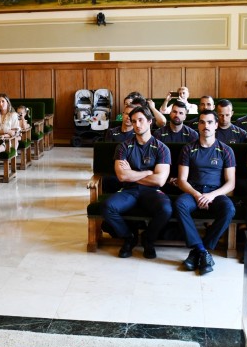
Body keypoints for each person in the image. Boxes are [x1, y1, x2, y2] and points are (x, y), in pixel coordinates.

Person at [100, 106, 172, 259]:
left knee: (166, 209)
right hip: (130, 190)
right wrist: (147, 172)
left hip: (152, 191)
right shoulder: (123, 147)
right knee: (107, 207)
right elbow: (122, 177)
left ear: (150, 122)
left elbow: (160, 179)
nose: (137, 125)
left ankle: (148, 238)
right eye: (134, 121)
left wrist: (131, 173)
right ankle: (128, 237)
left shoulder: (161, 148)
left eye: (141, 120)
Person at [175, 110, 236, 275]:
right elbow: (181, 180)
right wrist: (196, 194)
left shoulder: (226, 150)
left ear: (216, 125)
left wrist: (211, 195)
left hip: (215, 194)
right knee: (180, 204)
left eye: (209, 122)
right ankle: (202, 251)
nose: (205, 126)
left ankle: (200, 250)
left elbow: (231, 183)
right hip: (193, 191)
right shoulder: (188, 149)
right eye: (202, 122)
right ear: (198, 125)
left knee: (229, 209)